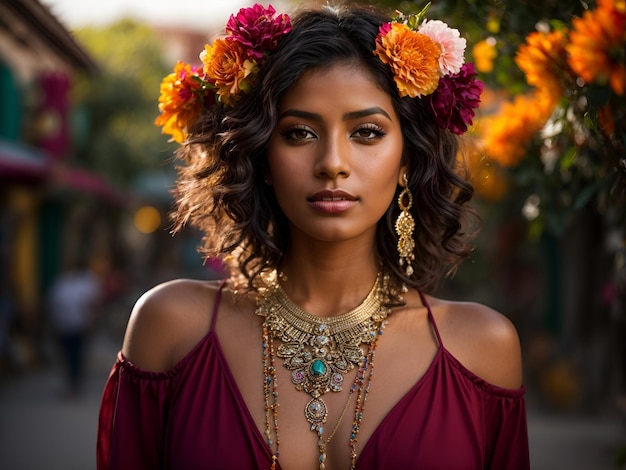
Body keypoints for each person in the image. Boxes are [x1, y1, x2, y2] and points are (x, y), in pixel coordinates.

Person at [97, 2, 529, 469]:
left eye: (366, 132)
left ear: (407, 158)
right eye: (300, 133)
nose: (332, 162)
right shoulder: (172, 327)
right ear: (262, 155)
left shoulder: (481, 348)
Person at [48, 256, 100, 398]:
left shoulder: (86, 281)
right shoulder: (61, 282)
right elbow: (54, 305)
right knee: (67, 356)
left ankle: (74, 385)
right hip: (64, 326)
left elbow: (93, 303)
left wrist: (91, 322)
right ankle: (71, 383)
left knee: (76, 356)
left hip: (79, 326)